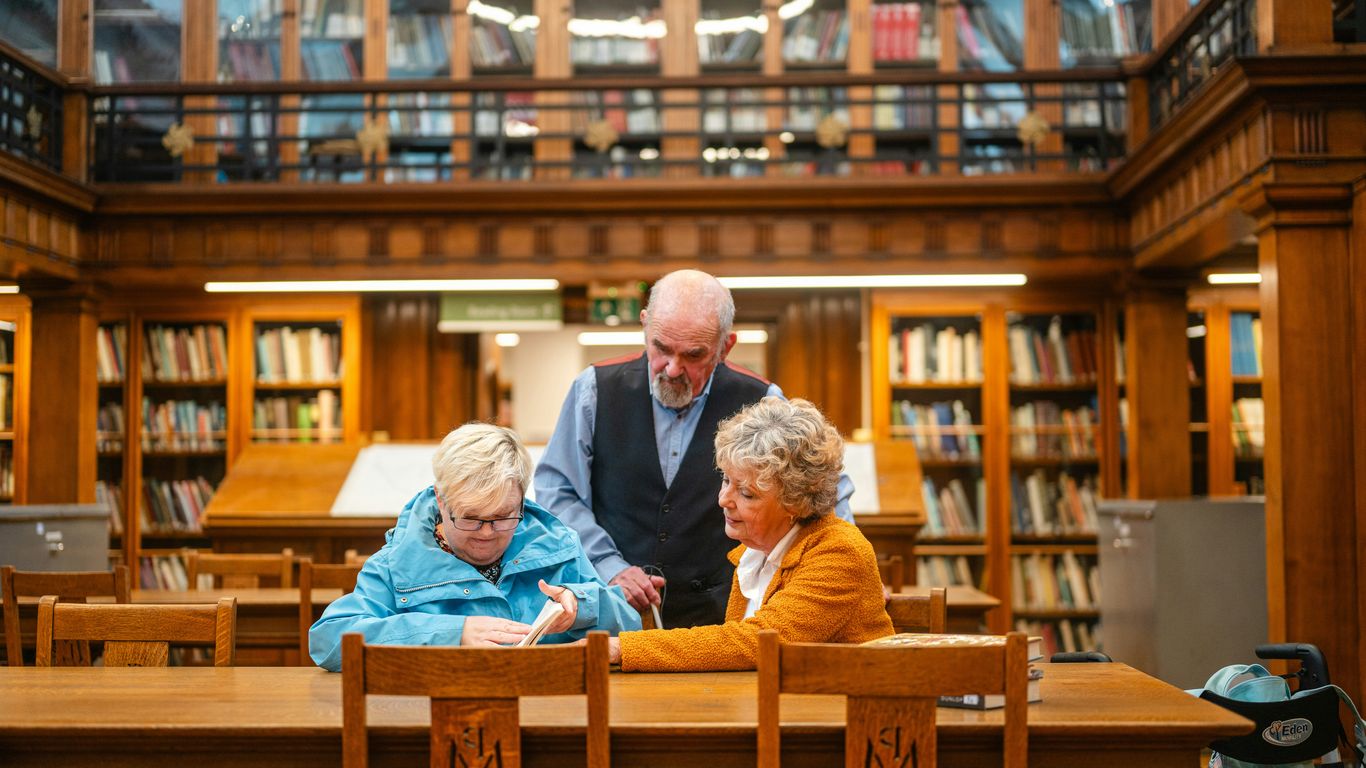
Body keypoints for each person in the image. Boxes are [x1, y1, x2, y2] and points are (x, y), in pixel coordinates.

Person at [534, 269, 855, 629]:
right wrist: (609, 565)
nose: (672, 369)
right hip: (613, 609)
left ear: (725, 347)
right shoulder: (593, 391)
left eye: (693, 355)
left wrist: (843, 566)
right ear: (644, 325)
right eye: (661, 348)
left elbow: (824, 491)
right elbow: (557, 492)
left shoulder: (761, 400)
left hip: (722, 616)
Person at [309, 423, 639, 671]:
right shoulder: (397, 564)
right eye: (470, 518)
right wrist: (452, 634)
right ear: (441, 500)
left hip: (552, 721)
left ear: (521, 499)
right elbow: (329, 639)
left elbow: (630, 624)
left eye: (502, 517)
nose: (486, 533)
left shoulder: (558, 545)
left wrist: (582, 605)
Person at [608, 397, 892, 671]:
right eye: (726, 479)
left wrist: (624, 647)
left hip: (848, 715)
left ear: (795, 501)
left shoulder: (839, 551)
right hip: (785, 709)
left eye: (746, 493)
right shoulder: (753, 551)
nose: (723, 499)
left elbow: (755, 643)